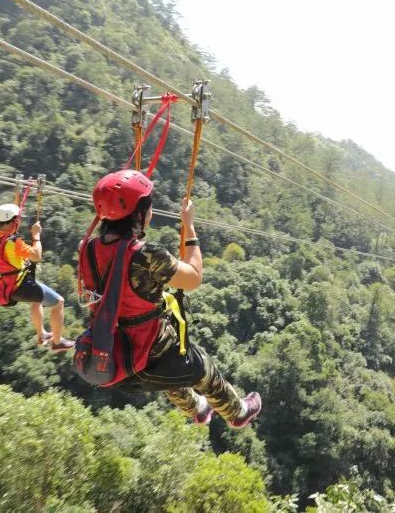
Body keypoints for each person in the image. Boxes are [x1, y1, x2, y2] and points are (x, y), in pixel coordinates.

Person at [77, 169, 262, 427]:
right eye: (149, 207)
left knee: (172, 368)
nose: (151, 212)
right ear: (139, 213)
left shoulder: (86, 250)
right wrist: (189, 226)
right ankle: (239, 413)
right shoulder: (147, 256)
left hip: (111, 360)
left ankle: (198, 408)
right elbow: (194, 277)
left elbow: (120, 287)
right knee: (198, 366)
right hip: (148, 357)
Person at [0, 202, 74, 352]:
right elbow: (36, 256)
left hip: (3, 286)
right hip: (19, 286)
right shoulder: (13, 242)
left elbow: (3, 259)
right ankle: (57, 342)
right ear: (14, 221)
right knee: (59, 302)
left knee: (36, 300)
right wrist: (36, 235)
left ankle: (42, 335)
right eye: (17, 220)